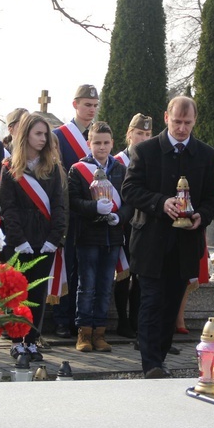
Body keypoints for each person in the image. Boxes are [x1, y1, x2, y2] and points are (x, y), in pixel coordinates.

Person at [122, 96, 214, 379]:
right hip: (151, 242)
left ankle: (161, 356)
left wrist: (201, 215)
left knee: (171, 305)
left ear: (195, 121)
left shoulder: (205, 154)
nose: (181, 128)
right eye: (177, 122)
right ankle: (151, 363)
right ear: (166, 118)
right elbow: (129, 189)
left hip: (185, 243)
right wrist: (160, 202)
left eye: (187, 123)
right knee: (151, 302)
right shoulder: (145, 150)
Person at [0, 113, 67, 361]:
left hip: (45, 240)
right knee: (18, 292)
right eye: (38, 133)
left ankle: (32, 340)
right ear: (25, 134)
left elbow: (60, 206)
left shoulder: (53, 167)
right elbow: (9, 208)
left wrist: (54, 237)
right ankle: (17, 341)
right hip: (19, 241)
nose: (43, 138)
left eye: (45, 134)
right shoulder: (9, 168)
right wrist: (18, 239)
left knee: (38, 293)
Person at [68, 121, 132, 352]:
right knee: (86, 287)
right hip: (87, 237)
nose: (102, 147)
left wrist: (120, 217)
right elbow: (73, 201)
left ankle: (100, 333)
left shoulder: (120, 170)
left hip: (112, 237)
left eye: (106, 143)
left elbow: (128, 202)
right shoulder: (77, 169)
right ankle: (83, 332)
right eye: (97, 143)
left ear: (112, 143)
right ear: (89, 144)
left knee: (106, 286)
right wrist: (93, 208)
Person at [51, 84, 100, 339]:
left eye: (94, 105)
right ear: (75, 105)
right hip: (68, 210)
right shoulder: (59, 135)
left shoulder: (100, 135)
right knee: (67, 266)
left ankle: (84, 320)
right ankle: (62, 319)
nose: (91, 110)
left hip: (92, 211)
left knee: (87, 267)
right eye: (86, 105)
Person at [113, 113, 152, 339]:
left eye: (148, 134)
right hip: (123, 225)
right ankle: (122, 320)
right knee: (122, 275)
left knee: (139, 276)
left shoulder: (151, 159)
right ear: (129, 134)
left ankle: (136, 321)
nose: (144, 138)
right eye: (139, 133)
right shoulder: (118, 162)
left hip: (143, 225)